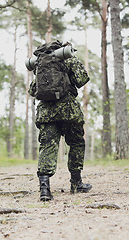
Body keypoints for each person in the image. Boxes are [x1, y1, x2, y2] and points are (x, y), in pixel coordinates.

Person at [34, 41, 92, 201]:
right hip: (68, 111)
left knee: (47, 146)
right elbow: (82, 79)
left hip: (46, 113)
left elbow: (33, 90)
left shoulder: (41, 64)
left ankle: (44, 189)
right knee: (76, 144)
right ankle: (76, 183)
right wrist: (74, 60)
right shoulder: (67, 59)